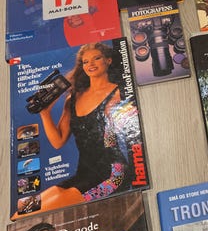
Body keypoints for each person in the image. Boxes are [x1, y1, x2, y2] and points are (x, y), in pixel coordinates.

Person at [26, 43, 131, 215]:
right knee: (24, 210)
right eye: (85, 61)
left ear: (108, 60)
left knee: (40, 211)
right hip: (83, 174)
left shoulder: (119, 93)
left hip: (112, 175)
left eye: (97, 58)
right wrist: (45, 113)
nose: (91, 64)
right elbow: (58, 142)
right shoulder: (73, 99)